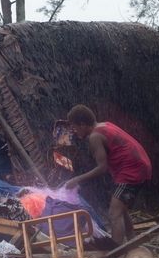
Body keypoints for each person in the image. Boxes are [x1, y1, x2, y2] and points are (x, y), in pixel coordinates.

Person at [64, 105, 151, 245]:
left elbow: (102, 168)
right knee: (121, 208)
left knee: (113, 212)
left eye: (75, 127)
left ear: (83, 124)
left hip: (132, 170)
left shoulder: (94, 137)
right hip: (139, 165)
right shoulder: (104, 125)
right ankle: (132, 242)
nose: (74, 132)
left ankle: (115, 249)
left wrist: (77, 179)